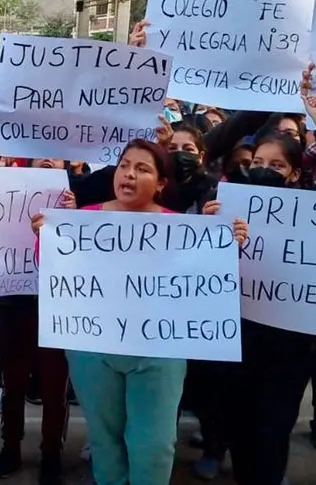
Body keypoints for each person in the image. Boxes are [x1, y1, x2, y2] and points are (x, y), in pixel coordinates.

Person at [33, 139, 247, 485]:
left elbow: (206, 286)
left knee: (154, 445)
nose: (129, 174)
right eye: (124, 165)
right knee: (105, 440)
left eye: (142, 168)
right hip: (93, 350)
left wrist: (225, 243)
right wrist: (44, 238)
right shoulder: (78, 222)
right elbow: (54, 276)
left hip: (159, 353)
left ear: (162, 183)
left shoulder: (183, 229)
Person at [220, 90, 316, 485]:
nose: (265, 168)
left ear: (294, 173)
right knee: (239, 431)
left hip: (288, 348)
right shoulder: (225, 203)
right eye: (258, 161)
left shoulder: (311, 207)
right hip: (235, 342)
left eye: (276, 164)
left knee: (273, 432)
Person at [0, 157, 76, 485]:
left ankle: (51, 453)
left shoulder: (75, 201)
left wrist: (73, 215)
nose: (46, 157)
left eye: (54, 154)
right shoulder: (7, 189)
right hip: (16, 304)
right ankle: (10, 446)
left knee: (55, 388)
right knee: (13, 384)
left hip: (57, 307)